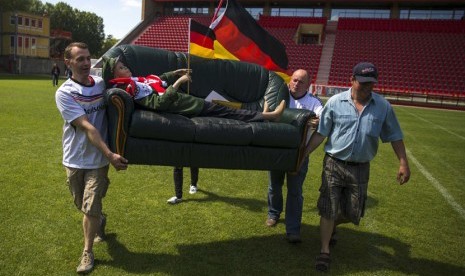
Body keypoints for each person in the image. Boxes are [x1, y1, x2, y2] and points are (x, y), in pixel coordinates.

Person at [304, 62, 411, 272]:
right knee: (329, 207)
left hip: (361, 167)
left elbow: (395, 136)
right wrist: (303, 156)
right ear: (351, 80)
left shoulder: (383, 107)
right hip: (334, 163)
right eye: (362, 83)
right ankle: (324, 251)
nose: (366, 87)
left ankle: (332, 227)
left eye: (371, 83)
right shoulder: (334, 102)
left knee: (353, 213)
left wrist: (403, 162)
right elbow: (321, 133)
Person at [55, 42, 128, 274]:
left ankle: (87, 252)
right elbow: (87, 127)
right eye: (80, 59)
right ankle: (100, 219)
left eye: (88, 58)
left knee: (90, 206)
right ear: (68, 63)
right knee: (82, 204)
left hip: (98, 159)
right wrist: (111, 153)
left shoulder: (100, 84)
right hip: (74, 158)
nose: (86, 63)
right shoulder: (64, 93)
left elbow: (125, 80)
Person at [104, 56, 286, 122]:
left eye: (124, 65)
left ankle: (262, 116)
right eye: (121, 67)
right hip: (186, 106)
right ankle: (268, 116)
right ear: (115, 75)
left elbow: (158, 81)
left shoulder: (137, 81)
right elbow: (160, 103)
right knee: (226, 110)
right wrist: (179, 82)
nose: (126, 67)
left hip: (187, 100)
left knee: (222, 103)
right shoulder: (131, 89)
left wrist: (175, 72)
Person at [266, 69, 323, 243]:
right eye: (295, 80)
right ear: (290, 80)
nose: (297, 84)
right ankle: (273, 214)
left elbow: (321, 124)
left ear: (308, 84)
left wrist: (315, 121)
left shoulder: (314, 103)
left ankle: (293, 229)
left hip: (298, 154)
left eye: (301, 82)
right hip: (277, 150)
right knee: (274, 185)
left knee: (295, 191)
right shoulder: (280, 95)